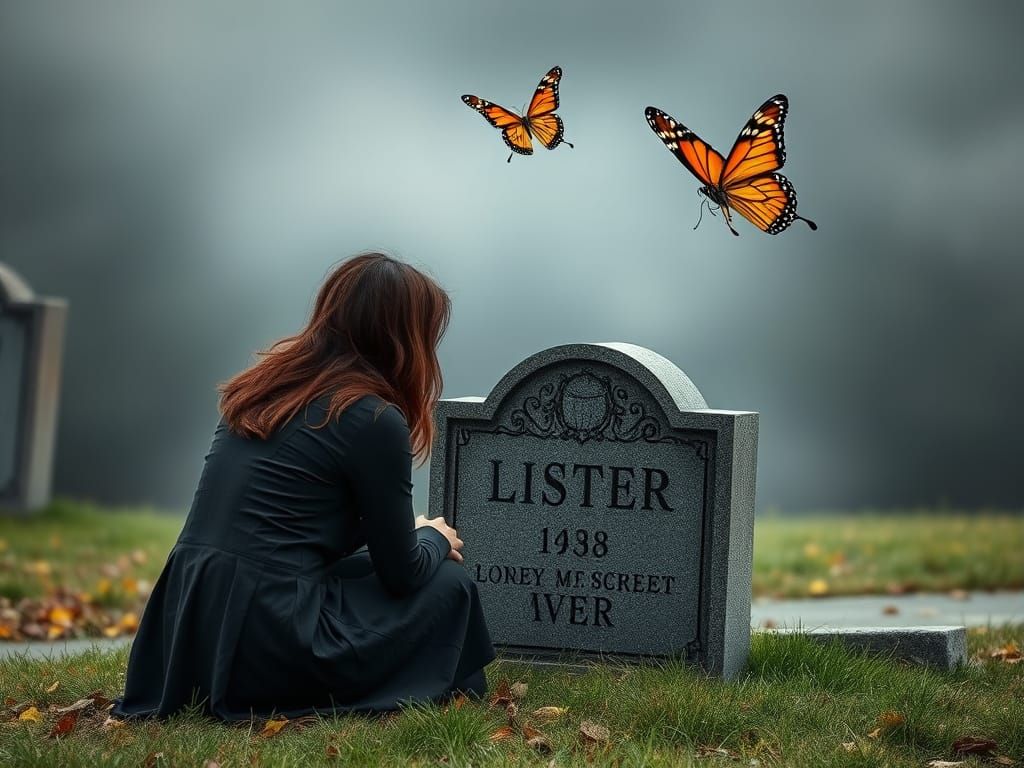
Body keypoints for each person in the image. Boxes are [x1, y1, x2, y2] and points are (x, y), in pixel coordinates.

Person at [112, 253, 495, 720]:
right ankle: (432, 684)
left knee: (365, 567)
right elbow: (404, 574)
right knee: (450, 582)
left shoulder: (261, 390)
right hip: (271, 631)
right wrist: (435, 537)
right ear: (404, 338)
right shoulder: (373, 418)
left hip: (191, 623)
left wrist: (407, 535)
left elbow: (293, 524)